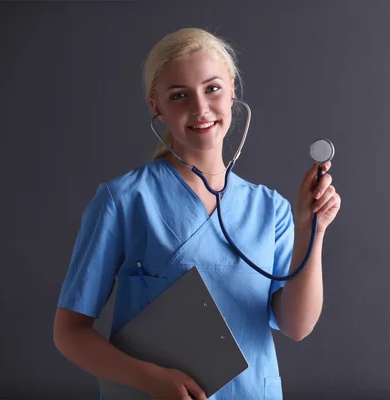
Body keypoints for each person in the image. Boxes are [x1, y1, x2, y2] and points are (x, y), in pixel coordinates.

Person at [52, 27, 341, 400]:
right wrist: (149, 378)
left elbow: (297, 325)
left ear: (233, 89)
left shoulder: (270, 209)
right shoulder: (122, 201)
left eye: (213, 88)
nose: (200, 108)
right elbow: (69, 332)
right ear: (157, 106)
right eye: (179, 96)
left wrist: (310, 230)